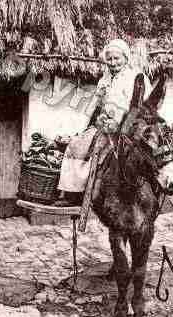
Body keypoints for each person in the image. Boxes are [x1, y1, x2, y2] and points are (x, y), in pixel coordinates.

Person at [53, 39, 153, 206]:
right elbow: (95, 106)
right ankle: (73, 195)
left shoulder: (137, 78)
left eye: (117, 59)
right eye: (110, 59)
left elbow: (145, 107)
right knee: (76, 145)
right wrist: (95, 121)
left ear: (126, 58)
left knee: (105, 150)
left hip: (129, 127)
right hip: (105, 125)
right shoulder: (104, 80)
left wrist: (123, 122)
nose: (113, 63)